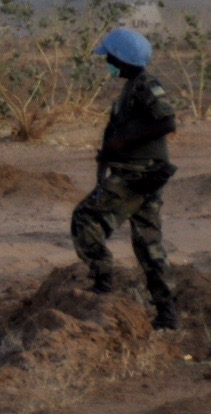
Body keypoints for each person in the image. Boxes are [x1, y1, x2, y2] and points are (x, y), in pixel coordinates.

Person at [72, 27, 179, 329]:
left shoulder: (145, 84)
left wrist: (122, 142)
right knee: (148, 244)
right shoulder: (132, 86)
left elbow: (167, 121)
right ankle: (167, 315)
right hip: (142, 174)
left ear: (123, 59)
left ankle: (103, 282)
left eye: (110, 57)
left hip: (139, 174)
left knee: (85, 219)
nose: (107, 62)